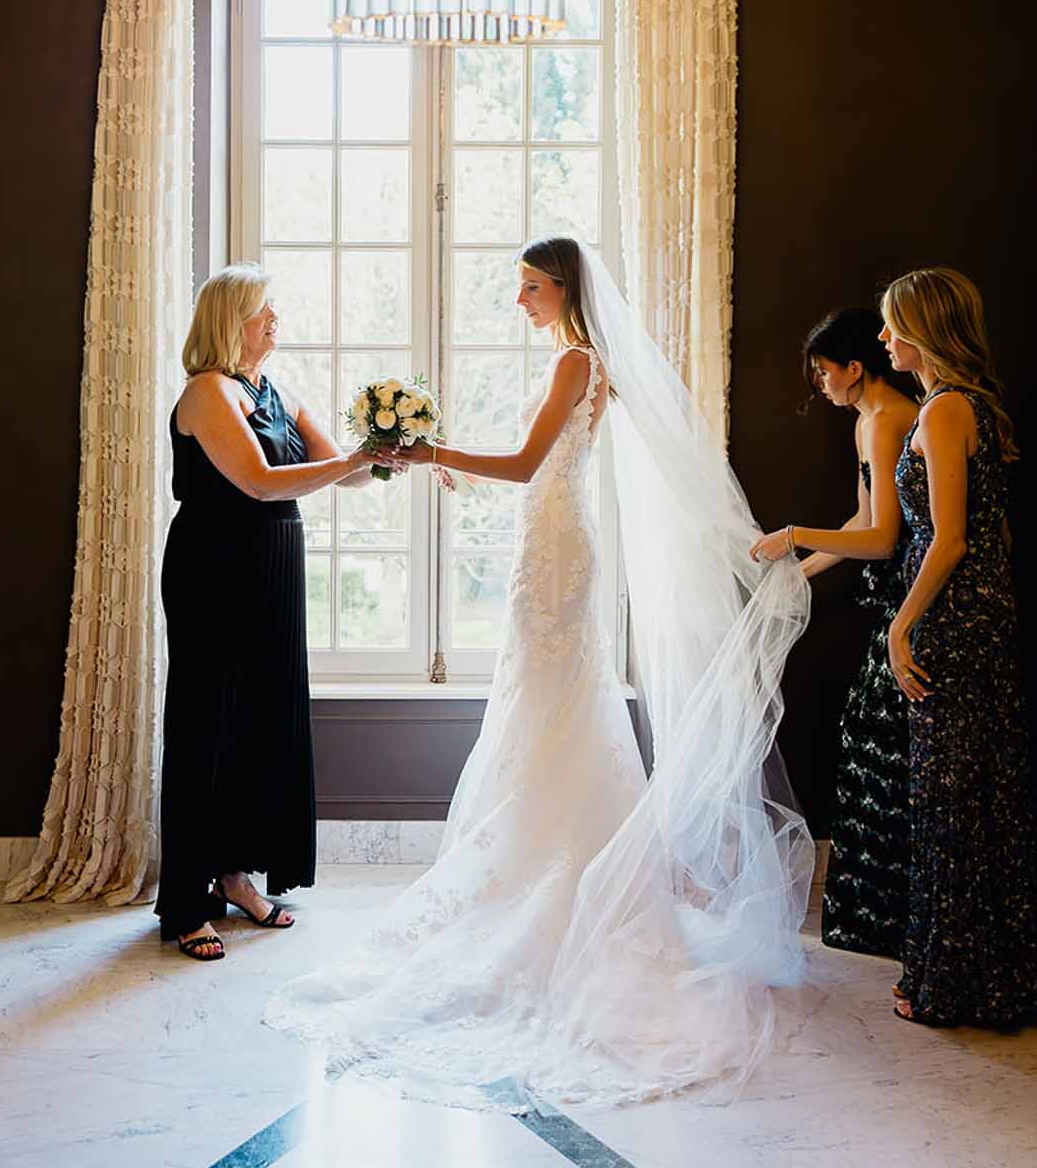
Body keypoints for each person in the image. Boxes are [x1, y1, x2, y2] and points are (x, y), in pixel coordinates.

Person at [264, 236, 813, 1107]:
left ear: (564, 288)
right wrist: (437, 459)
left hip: (556, 554)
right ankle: (554, 865)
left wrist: (430, 454)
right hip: (549, 542)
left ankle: (562, 880)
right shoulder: (577, 362)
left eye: (530, 286)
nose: (518, 298)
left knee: (554, 706)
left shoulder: (576, 362)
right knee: (549, 711)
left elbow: (525, 465)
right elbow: (538, 467)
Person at [157, 265, 375, 960]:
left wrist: (395, 443)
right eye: (262, 309)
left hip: (275, 562)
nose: (275, 317)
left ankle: (236, 876)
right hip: (214, 566)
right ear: (232, 320)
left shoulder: (275, 389)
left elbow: (344, 466)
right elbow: (255, 481)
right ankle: (188, 901)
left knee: (260, 724)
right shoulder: (208, 391)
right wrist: (353, 463)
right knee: (207, 725)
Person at [876, 267, 1037, 1028]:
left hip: (953, 619)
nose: (883, 339)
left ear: (923, 330)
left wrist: (900, 625)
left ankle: (955, 985)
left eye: (892, 326)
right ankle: (991, 974)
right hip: (978, 612)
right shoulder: (967, 404)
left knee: (953, 800)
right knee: (975, 792)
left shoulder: (947, 410)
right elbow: (993, 533)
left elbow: (948, 538)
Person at [749, 310, 918, 958]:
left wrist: (793, 538)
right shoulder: (862, 422)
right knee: (873, 746)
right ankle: (881, 917)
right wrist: (801, 572)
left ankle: (892, 918)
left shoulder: (887, 420)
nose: (819, 384)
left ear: (855, 368)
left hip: (910, 597)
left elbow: (882, 539)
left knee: (875, 745)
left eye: (823, 372)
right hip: (886, 595)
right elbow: (859, 517)